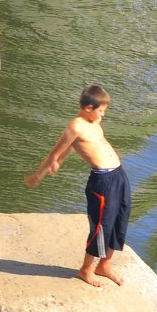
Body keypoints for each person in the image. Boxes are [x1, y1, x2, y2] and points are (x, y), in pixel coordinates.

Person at [25, 85, 131, 288]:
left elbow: (73, 148)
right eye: (101, 110)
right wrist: (38, 175)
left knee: (120, 219)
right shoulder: (76, 126)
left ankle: (105, 265)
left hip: (118, 176)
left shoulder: (94, 121)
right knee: (102, 225)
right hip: (102, 181)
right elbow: (57, 152)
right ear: (89, 107)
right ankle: (86, 269)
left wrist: (60, 161)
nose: (103, 115)